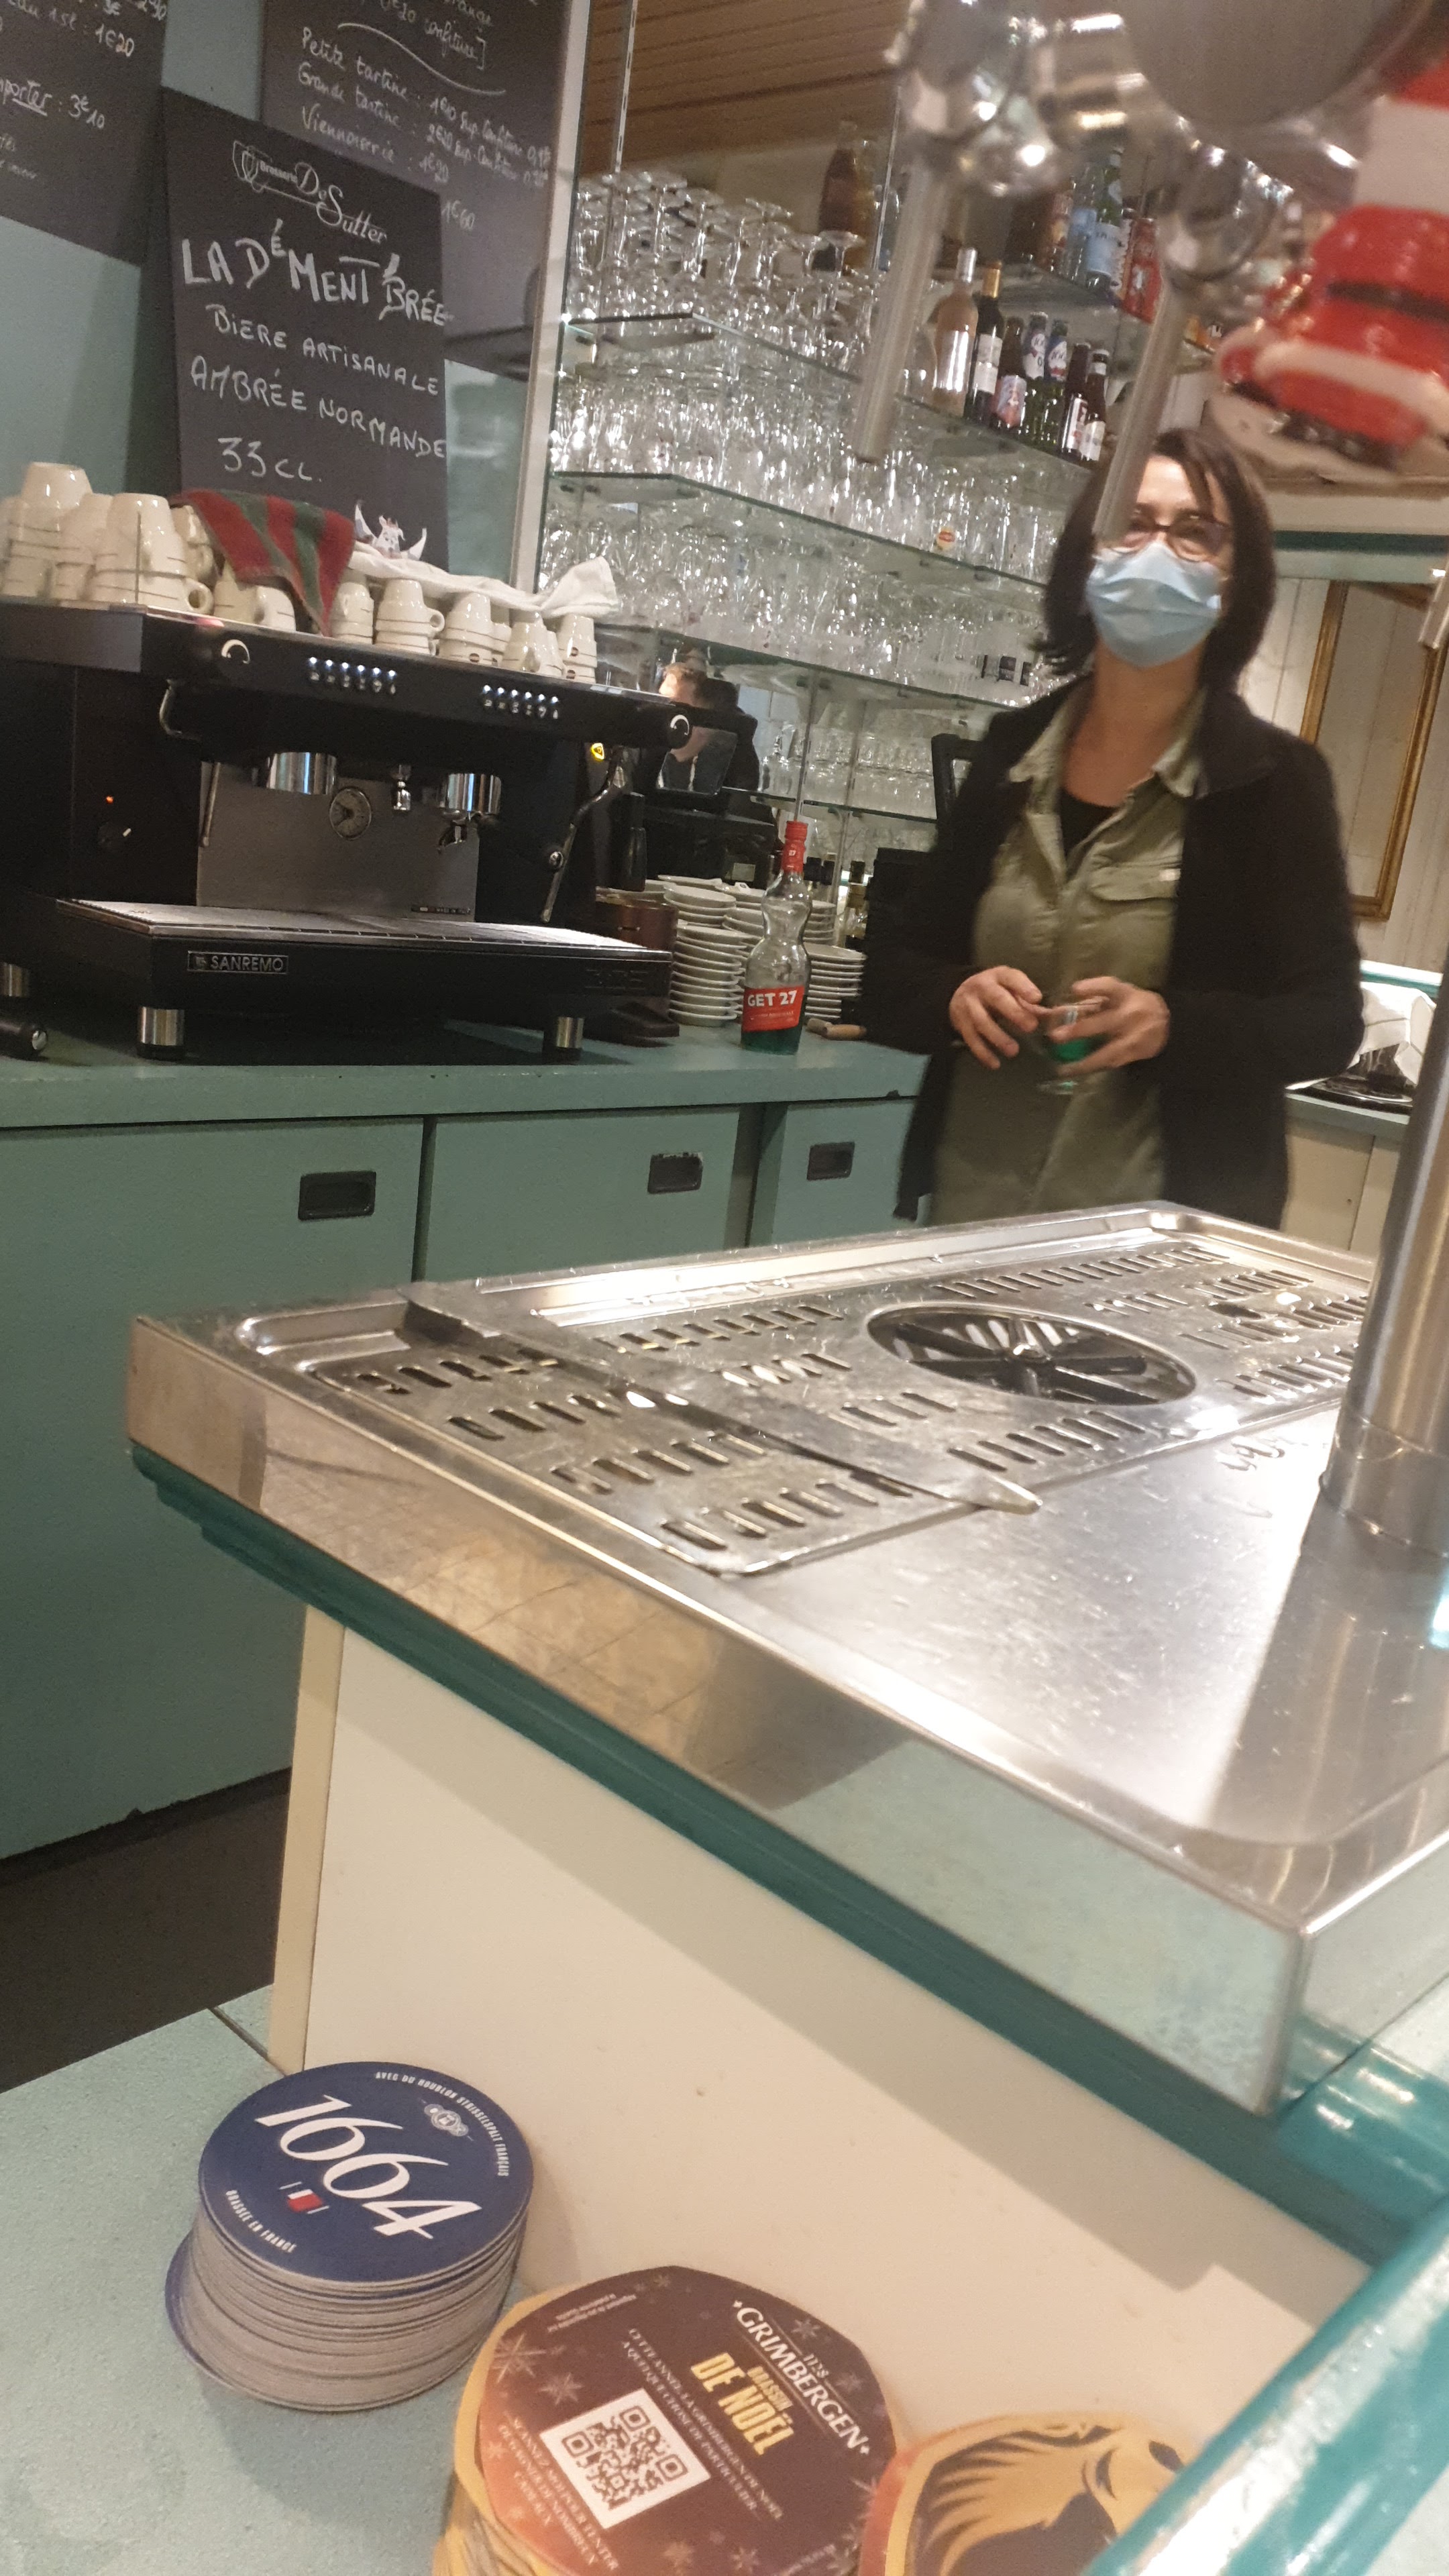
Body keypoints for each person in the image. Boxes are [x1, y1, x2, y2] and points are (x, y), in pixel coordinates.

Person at [862, 425, 1364, 1229]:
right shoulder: (1011, 752)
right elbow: (892, 974)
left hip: (1159, 1243)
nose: (1157, 550)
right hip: (972, 1217)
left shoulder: (1275, 783)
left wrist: (1173, 1024)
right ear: (1085, 558)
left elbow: (1326, 1022)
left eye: (1195, 531)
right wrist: (954, 994)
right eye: (1131, 523)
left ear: (1233, 584)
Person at [653, 663, 762, 795]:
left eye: (675, 708)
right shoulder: (652, 756)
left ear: (708, 721)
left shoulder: (734, 768)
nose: (661, 716)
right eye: (660, 703)